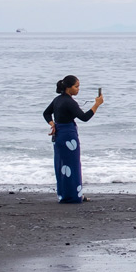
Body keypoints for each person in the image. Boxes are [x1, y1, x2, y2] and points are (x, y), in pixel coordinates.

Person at [43, 75, 104, 203]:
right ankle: (73, 196)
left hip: (59, 136)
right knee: (73, 165)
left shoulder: (57, 100)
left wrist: (53, 124)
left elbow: (46, 113)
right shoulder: (69, 102)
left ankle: (65, 194)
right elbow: (84, 117)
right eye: (76, 87)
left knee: (62, 166)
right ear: (68, 88)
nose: (78, 89)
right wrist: (96, 105)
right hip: (68, 137)